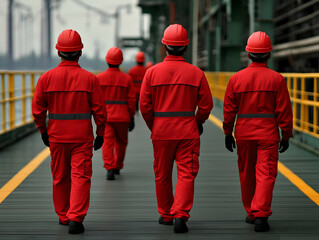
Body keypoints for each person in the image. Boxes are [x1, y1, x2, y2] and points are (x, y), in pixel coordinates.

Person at [140, 24, 213, 233]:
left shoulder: (152, 73)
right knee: (186, 173)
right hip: (187, 131)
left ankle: (165, 214)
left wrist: (155, 126)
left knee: (162, 173)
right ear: (185, 48)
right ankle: (180, 214)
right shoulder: (196, 73)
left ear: (164, 46)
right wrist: (197, 121)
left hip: (161, 131)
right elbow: (207, 105)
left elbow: (144, 106)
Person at [32, 29, 107, 234]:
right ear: (80, 52)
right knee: (80, 176)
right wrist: (101, 133)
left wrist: (43, 131)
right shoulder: (90, 79)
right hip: (82, 138)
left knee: (60, 177)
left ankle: (64, 216)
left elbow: (38, 110)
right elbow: (100, 111)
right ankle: (76, 218)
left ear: (58, 53)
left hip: (56, 138)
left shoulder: (46, 79)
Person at [223, 31, 293, 232]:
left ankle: (252, 213)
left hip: (244, 134)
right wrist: (286, 135)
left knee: (247, 174)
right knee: (266, 173)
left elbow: (229, 111)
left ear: (248, 54)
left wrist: (228, 132)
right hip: (268, 135)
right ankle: (261, 213)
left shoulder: (236, 79)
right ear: (269, 55)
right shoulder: (277, 80)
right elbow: (284, 111)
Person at [97, 47, 136, 180]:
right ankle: (117, 165)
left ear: (107, 61)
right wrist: (131, 117)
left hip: (106, 116)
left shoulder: (99, 78)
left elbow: (95, 100)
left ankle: (109, 167)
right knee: (121, 142)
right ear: (121, 61)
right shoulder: (127, 79)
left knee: (107, 142)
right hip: (123, 116)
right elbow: (131, 100)